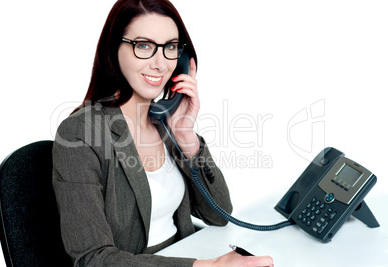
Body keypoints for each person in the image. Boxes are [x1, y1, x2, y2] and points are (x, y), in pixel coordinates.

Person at [52, 0, 274, 266]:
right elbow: (92, 258)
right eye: (143, 45)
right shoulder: (81, 133)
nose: (160, 64)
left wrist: (187, 139)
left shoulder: (164, 122)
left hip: (190, 253)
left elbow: (219, 214)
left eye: (170, 47)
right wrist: (205, 266)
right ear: (114, 49)